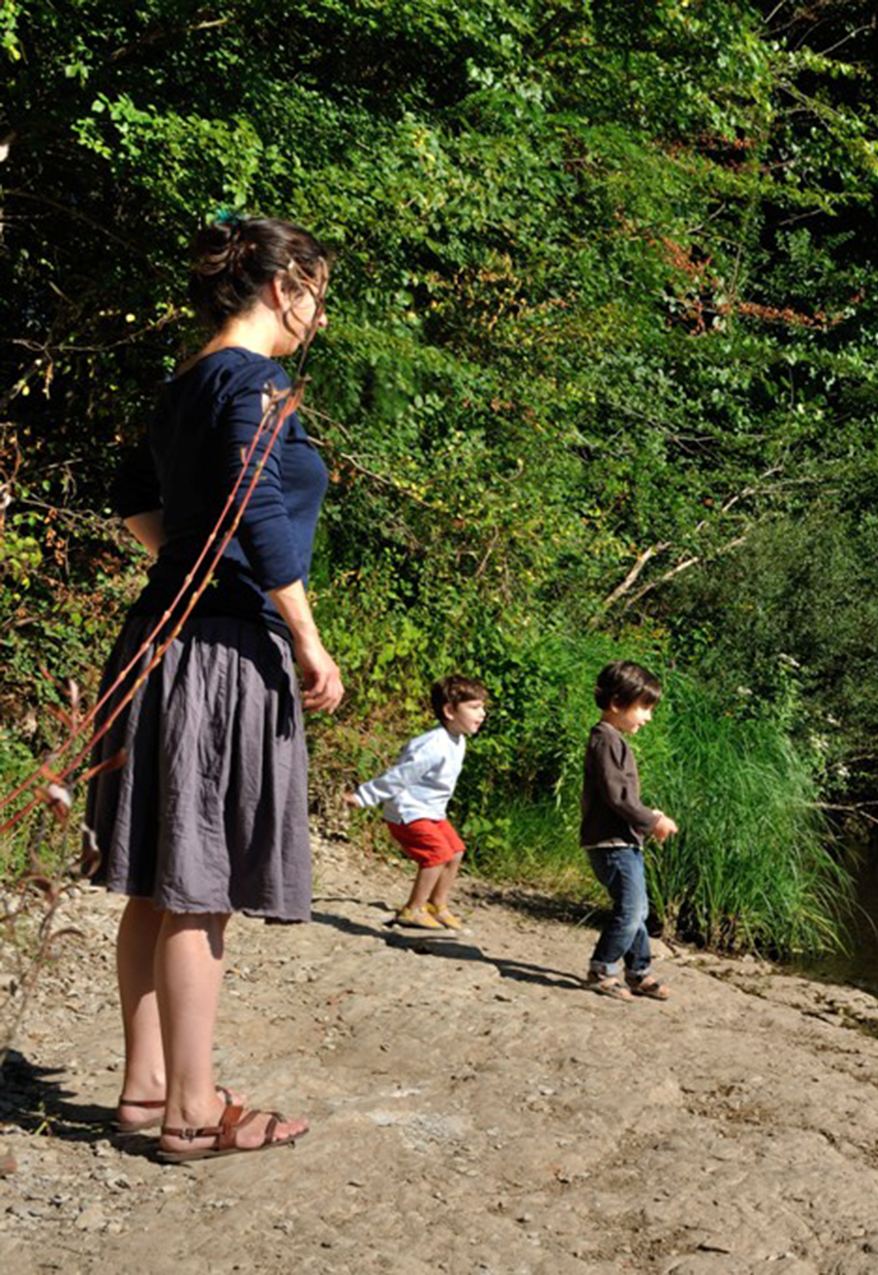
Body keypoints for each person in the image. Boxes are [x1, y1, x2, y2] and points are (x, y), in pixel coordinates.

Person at [85, 213, 341, 1161]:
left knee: (156, 881)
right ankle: (194, 1111)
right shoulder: (255, 381)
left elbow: (131, 494)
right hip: (221, 649)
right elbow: (257, 503)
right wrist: (307, 639)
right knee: (197, 887)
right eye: (317, 295)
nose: (319, 315)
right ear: (286, 289)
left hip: (157, 639)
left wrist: (184, 562)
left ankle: (146, 1092)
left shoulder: (183, 382)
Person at [347, 675, 489, 931]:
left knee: (455, 851)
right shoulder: (431, 745)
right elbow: (398, 776)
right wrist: (363, 796)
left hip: (431, 812)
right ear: (449, 711)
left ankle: (437, 905)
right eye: (474, 707)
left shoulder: (458, 740)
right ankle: (413, 909)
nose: (482, 713)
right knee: (437, 855)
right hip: (407, 812)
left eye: (482, 707)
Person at [579, 661, 679, 1001]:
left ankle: (638, 971)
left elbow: (619, 795)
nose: (648, 717)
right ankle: (601, 969)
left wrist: (647, 814)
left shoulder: (612, 740)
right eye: (644, 708)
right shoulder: (606, 741)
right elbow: (618, 796)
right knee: (631, 909)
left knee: (638, 909)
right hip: (612, 844)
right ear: (618, 703)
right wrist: (653, 822)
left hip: (620, 840)